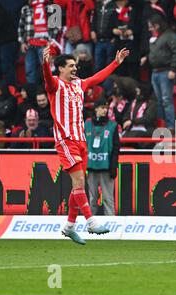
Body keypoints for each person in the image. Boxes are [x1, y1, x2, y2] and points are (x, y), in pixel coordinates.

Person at [42, 44, 129, 245]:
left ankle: (70, 227)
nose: (74, 69)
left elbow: (98, 77)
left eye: (75, 66)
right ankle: (90, 221)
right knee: (80, 181)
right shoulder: (54, 85)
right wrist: (45, 64)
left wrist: (115, 63)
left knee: (78, 184)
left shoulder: (79, 84)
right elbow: (47, 77)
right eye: (71, 66)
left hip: (81, 140)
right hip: (66, 140)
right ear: (60, 68)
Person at [144, 14, 176, 131]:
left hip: (166, 72)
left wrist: (173, 69)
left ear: (157, 25)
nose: (149, 29)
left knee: (166, 100)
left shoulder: (170, 36)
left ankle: (170, 126)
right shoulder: (156, 37)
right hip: (155, 72)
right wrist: (147, 57)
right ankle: (161, 124)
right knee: (159, 101)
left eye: (151, 26)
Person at [85, 98, 120, 216]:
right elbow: (82, 145)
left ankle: (111, 227)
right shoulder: (87, 124)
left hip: (106, 167)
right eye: (102, 108)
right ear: (96, 109)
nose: (104, 110)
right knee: (92, 200)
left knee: (108, 199)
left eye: (106, 108)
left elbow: (116, 148)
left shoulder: (113, 126)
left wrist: (113, 166)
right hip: (91, 166)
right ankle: (90, 225)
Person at [18, 0, 61, 85]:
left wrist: (51, 40)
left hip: (45, 44)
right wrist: (22, 42)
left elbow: (57, 27)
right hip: (29, 44)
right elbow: (21, 27)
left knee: (49, 70)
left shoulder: (52, 7)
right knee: (29, 70)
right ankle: (33, 92)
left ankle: (50, 91)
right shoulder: (25, 9)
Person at [122, 83, 157, 149]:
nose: (136, 91)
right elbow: (127, 114)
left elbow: (147, 119)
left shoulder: (152, 104)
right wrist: (125, 120)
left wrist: (132, 121)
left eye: (138, 90)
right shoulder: (134, 102)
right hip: (131, 129)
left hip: (145, 130)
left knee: (134, 135)